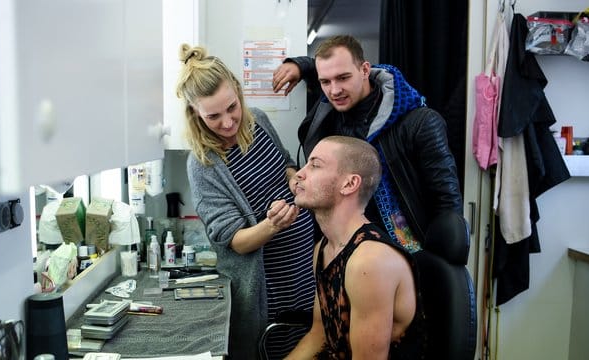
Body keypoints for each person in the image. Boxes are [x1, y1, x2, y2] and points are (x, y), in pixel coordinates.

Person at [175, 44, 315, 359]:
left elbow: (284, 163)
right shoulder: (203, 165)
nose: (227, 122)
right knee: (279, 349)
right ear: (195, 114)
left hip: (304, 270)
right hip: (269, 288)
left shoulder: (259, 121)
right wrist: (272, 224)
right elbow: (235, 242)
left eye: (232, 107)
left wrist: (293, 176)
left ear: (238, 92)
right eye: (213, 116)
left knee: (313, 341)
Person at [272, 35, 462, 253]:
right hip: (339, 245)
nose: (334, 90)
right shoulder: (327, 117)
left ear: (364, 70)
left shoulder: (419, 122)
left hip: (404, 249)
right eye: (325, 82)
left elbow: (446, 200)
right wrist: (300, 65)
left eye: (343, 78)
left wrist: (442, 264)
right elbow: (327, 69)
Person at [287, 136, 424, 359]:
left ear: (349, 184)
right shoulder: (324, 247)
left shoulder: (369, 262)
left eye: (315, 165)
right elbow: (319, 336)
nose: (299, 174)